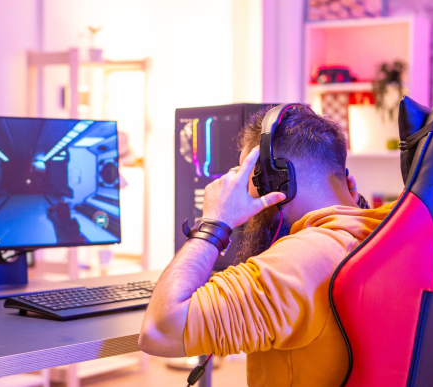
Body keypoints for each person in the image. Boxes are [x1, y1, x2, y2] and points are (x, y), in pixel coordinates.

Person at [139, 105, 395, 386]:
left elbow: (159, 332)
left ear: (278, 180)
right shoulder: (388, 231)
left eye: (248, 179)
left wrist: (214, 222)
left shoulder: (299, 262)